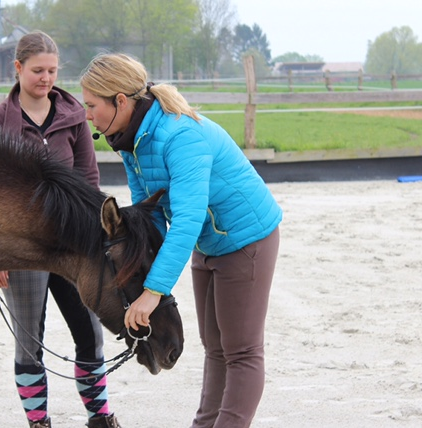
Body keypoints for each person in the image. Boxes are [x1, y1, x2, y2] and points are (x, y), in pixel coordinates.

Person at [80, 53, 282, 428]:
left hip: (246, 238)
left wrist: (154, 290)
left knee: (242, 351)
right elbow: (151, 214)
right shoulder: (129, 140)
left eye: (92, 105)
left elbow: (186, 218)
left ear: (120, 101)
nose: (88, 115)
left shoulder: (180, 135)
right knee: (215, 347)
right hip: (208, 242)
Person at [0, 32, 121, 428]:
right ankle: (39, 423)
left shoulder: (74, 116)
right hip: (21, 249)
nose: (46, 78)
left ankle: (101, 417)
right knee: (29, 343)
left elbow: (88, 181)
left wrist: (95, 242)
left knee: (90, 333)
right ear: (18, 68)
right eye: (38, 70)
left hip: (72, 248)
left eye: (53, 71)